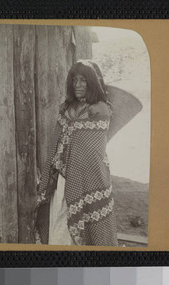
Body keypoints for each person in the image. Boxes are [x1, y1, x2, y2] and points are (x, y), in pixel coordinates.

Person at [36, 60, 118, 246]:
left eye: (83, 80)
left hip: (89, 179)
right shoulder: (67, 109)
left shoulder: (100, 110)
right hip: (63, 179)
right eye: (74, 80)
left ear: (92, 82)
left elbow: (91, 150)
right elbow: (55, 144)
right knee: (59, 223)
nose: (78, 85)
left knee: (87, 230)